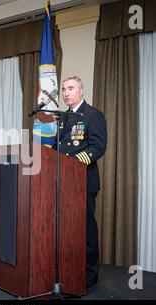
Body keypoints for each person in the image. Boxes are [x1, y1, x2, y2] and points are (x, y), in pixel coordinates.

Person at [59, 76, 107, 290]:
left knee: (86, 230)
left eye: (70, 88)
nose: (66, 92)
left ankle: (89, 275)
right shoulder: (63, 118)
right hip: (63, 182)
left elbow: (98, 147)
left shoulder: (93, 115)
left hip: (84, 181)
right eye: (63, 89)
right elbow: (60, 148)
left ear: (81, 91)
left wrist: (74, 163)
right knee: (66, 229)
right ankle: (68, 269)